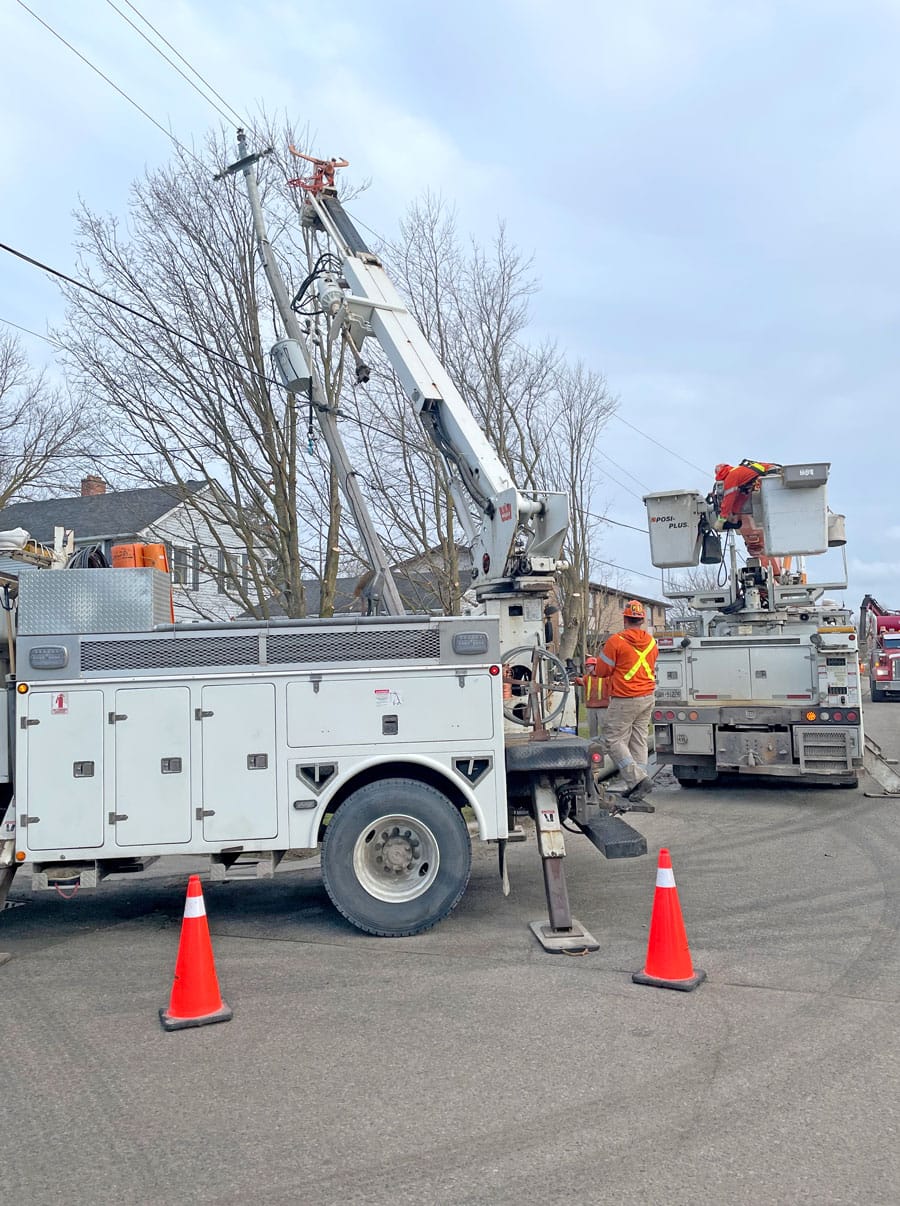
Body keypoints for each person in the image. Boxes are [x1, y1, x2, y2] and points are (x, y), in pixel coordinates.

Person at [594, 600, 658, 802]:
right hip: (648, 696)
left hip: (626, 697)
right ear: (642, 620)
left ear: (625, 619)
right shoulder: (651, 642)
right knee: (638, 738)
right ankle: (639, 781)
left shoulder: (616, 641)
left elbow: (601, 671)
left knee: (612, 739)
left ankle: (638, 780)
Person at [572, 655, 610, 740]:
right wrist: (574, 679)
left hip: (603, 708)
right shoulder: (586, 678)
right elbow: (580, 681)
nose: (587, 668)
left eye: (589, 666)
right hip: (590, 708)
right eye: (587, 666)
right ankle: (594, 747)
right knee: (592, 730)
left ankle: (605, 748)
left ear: (596, 666)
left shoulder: (605, 678)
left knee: (604, 729)